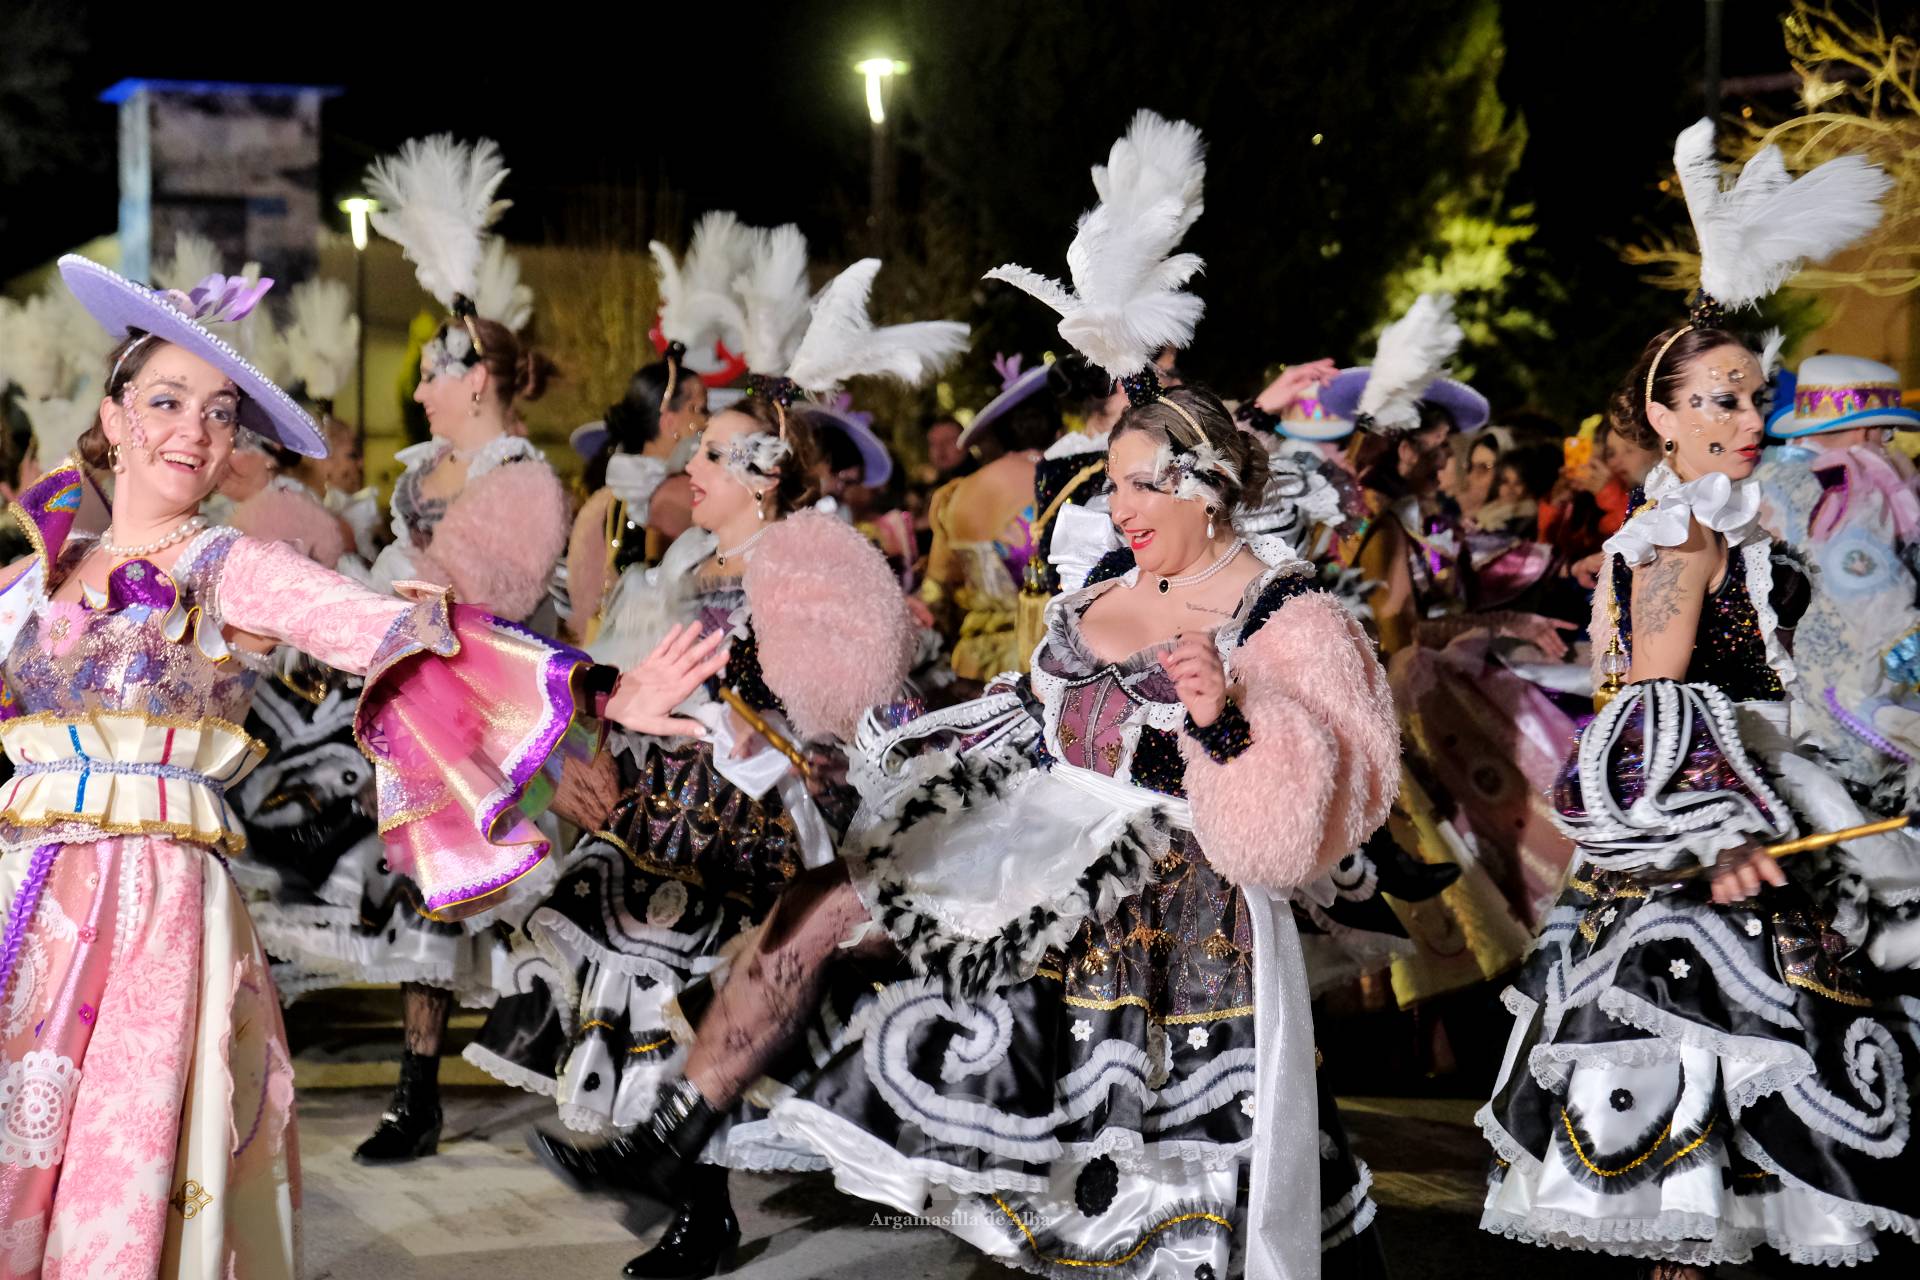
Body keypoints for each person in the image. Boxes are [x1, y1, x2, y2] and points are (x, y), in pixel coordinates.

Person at [0, 254, 721, 1278]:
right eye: (164, 398)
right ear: (113, 415)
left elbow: (406, 631)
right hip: (21, 910)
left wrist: (596, 695)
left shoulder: (231, 566)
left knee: (121, 1193)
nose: (194, 429)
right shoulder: (39, 572)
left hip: (153, 916)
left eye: (219, 413)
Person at [1480, 118, 1917, 1275]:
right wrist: (1717, 831)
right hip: (1705, 852)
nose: (1742, 420)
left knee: (1730, 1161)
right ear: (1660, 417)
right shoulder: (1676, 539)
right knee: (1700, 1155)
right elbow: (1648, 706)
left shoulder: (1723, 528)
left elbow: (1752, 675)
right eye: (1716, 401)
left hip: (1762, 810)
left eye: (1753, 398)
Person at [484, 247, 954, 1280]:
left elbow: (865, 699)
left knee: (703, 977)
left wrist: (776, 743)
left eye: (711, 453)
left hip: (773, 818)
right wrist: (598, 754)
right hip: (670, 804)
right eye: (692, 450)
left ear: (766, 474)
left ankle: (699, 1197)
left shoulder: (820, 559)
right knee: (637, 974)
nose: (686, 468)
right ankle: (693, 1197)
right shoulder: (692, 566)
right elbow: (635, 675)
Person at [1755, 352, 1920, 971]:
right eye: (1879, 424)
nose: (1885, 439)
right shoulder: (1853, 482)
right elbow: (1874, 603)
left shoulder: (1774, 478)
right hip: (1852, 688)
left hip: (1789, 689)